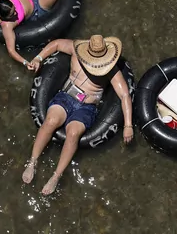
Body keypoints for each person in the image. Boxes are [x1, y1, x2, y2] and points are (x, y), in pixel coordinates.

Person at [21, 35, 134, 195]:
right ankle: (32, 162)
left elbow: (124, 96)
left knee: (73, 133)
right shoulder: (77, 49)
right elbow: (57, 44)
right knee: (51, 121)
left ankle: (56, 175)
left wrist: (128, 125)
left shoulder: (110, 69)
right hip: (66, 96)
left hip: (86, 107)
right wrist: (39, 57)